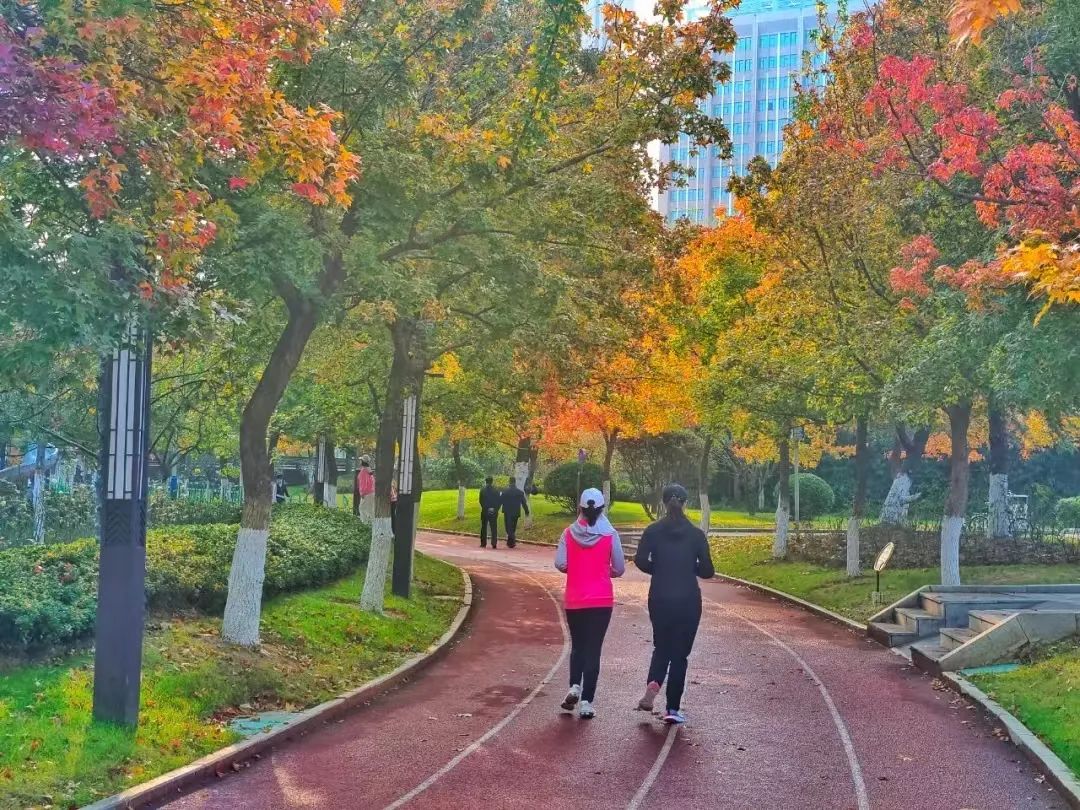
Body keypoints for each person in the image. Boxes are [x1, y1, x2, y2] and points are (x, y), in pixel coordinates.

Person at [634, 483, 715, 725]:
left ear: (663, 502)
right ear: (686, 503)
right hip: (688, 600)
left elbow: (639, 560)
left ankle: (654, 682)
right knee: (680, 655)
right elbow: (708, 571)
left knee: (661, 647)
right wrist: (692, 568)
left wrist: (658, 569)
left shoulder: (652, 531)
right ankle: (672, 708)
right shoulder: (696, 535)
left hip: (659, 597)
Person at [554, 488, 625, 719]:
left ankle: (574, 685)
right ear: (603, 508)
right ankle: (586, 702)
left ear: (580, 508)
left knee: (578, 646)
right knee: (594, 649)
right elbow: (619, 567)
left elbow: (560, 563)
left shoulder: (568, 533)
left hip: (575, 598)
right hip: (601, 599)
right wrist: (607, 572)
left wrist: (576, 569)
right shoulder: (610, 534)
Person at [500, 476, 530, 549]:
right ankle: (510, 542)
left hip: (507, 512)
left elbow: (500, 501)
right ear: (515, 482)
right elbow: (523, 503)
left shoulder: (505, 492)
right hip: (516, 512)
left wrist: (495, 509)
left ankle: (512, 542)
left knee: (508, 528)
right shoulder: (520, 492)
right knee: (513, 528)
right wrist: (527, 511)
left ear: (509, 482)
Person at [479, 477, 501, 548]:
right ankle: (494, 543)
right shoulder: (496, 490)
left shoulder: (482, 490)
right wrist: (495, 509)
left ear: (486, 481)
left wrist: (485, 508)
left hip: (485, 511)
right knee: (494, 527)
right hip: (493, 511)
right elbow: (499, 501)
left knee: (484, 527)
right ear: (492, 481)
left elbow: (481, 501)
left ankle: (483, 543)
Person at [356, 457, 375, 524]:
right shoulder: (369, 470)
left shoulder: (364, 471)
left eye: (360, 460)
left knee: (362, 508)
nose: (359, 461)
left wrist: (362, 493)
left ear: (363, 461)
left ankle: (365, 523)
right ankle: (371, 523)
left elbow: (363, 483)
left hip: (366, 493)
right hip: (371, 492)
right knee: (370, 509)